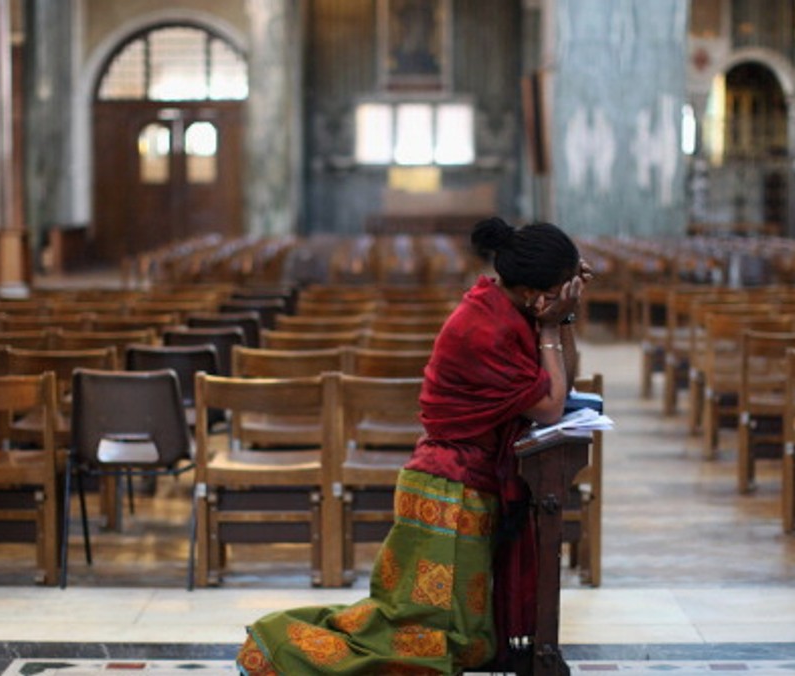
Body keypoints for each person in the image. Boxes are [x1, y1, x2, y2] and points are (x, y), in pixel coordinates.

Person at [237, 217, 592, 675]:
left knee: (460, 640)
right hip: (447, 495)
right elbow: (549, 405)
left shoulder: (507, 309)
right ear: (533, 294)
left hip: (462, 487)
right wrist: (549, 328)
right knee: (416, 641)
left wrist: (562, 320)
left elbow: (563, 377)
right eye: (560, 292)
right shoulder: (487, 327)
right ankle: (274, 648)